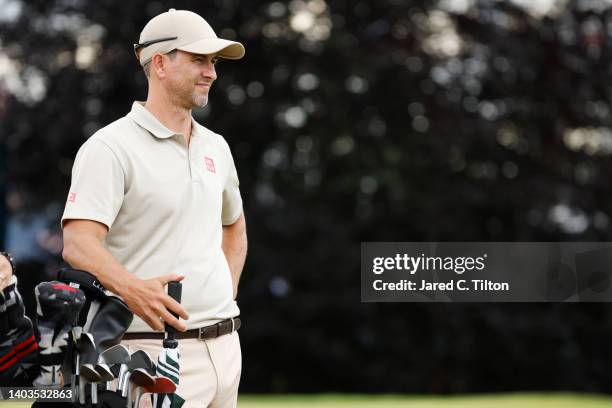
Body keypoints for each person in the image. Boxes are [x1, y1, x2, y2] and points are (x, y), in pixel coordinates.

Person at [61, 9, 247, 407]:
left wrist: (223, 294)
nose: (211, 72)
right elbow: (78, 243)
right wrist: (132, 289)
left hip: (226, 349)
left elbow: (234, 226)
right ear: (159, 63)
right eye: (199, 60)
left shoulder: (217, 146)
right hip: (150, 353)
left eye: (213, 62)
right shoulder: (109, 148)